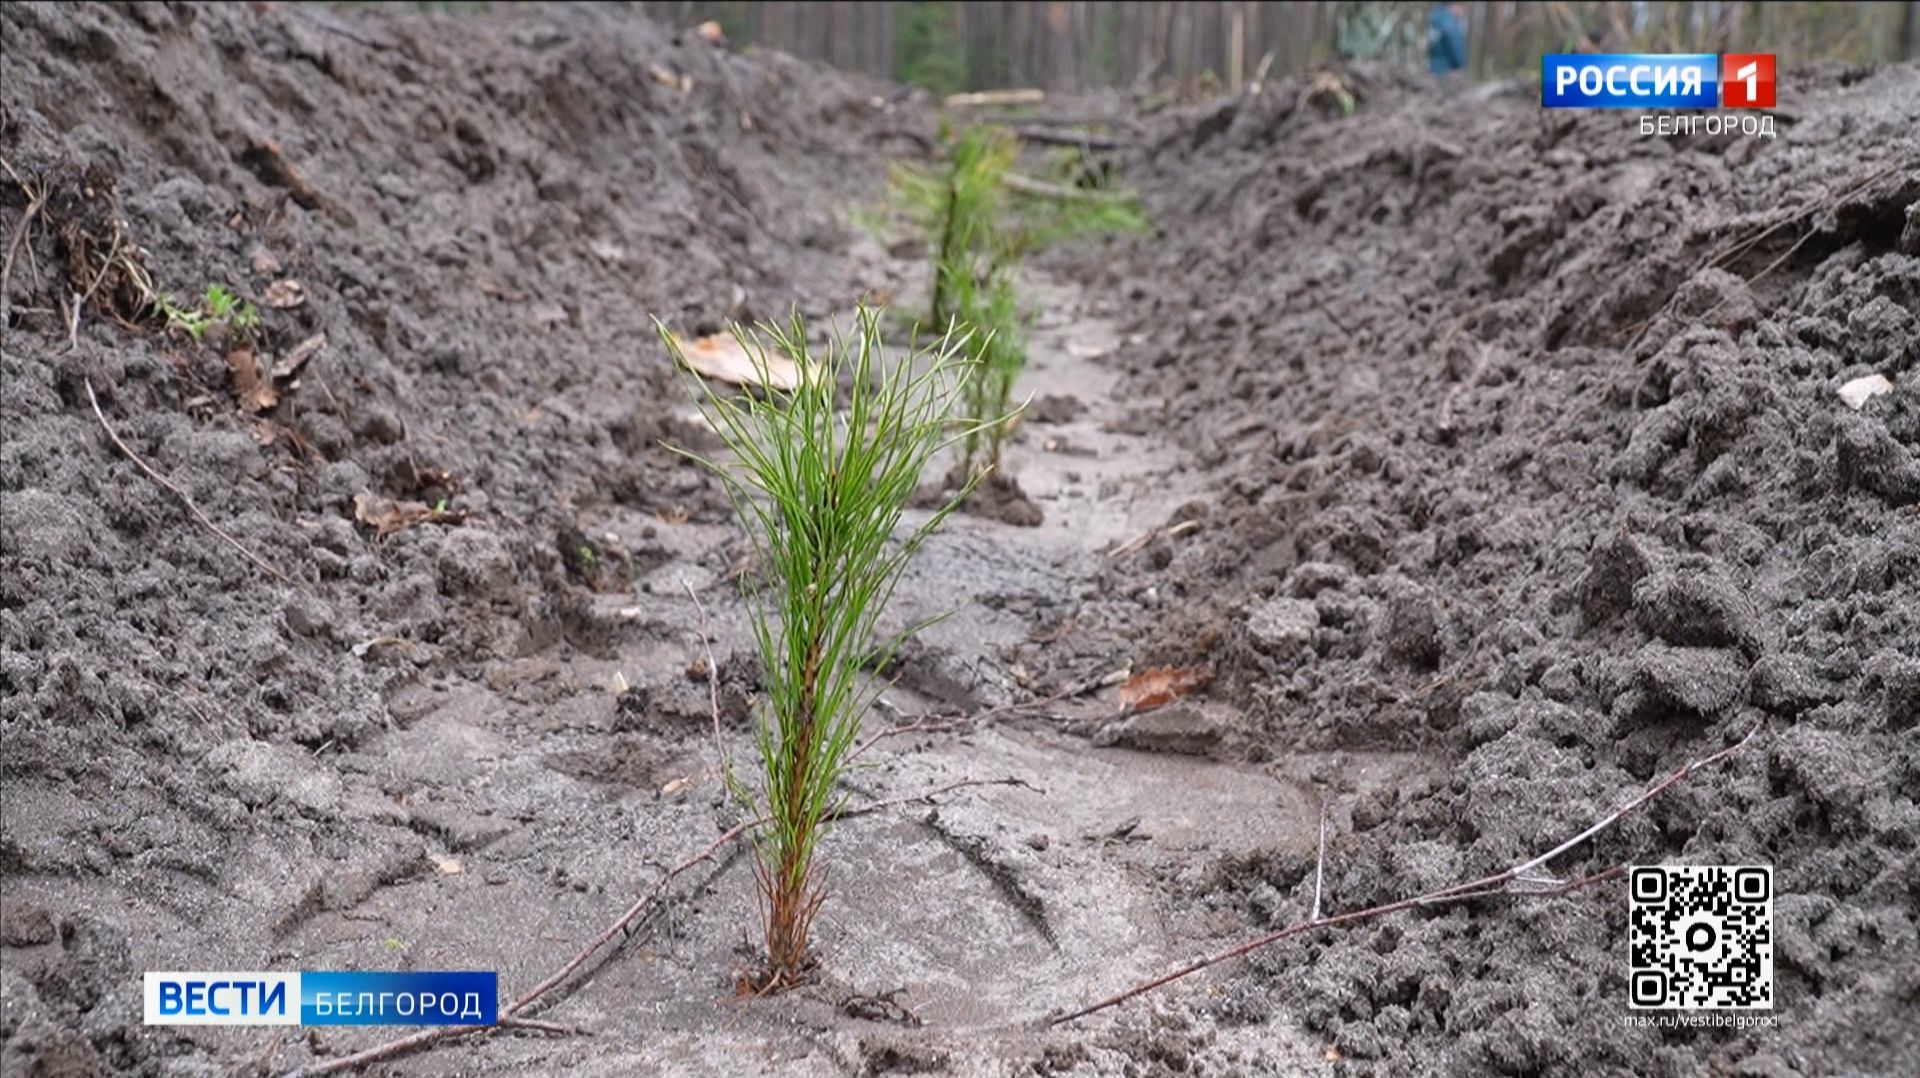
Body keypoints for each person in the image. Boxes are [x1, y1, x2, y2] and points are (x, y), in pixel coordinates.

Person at [1429, 2, 1469, 76]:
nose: (1462, 12)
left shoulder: (1436, 18)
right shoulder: (1448, 22)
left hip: (1434, 68)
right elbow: (1456, 46)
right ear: (1454, 5)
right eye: (1462, 7)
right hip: (1447, 71)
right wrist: (1462, 65)